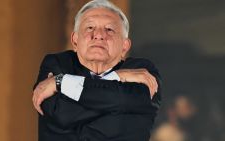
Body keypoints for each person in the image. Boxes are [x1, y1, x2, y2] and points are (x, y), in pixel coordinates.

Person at [32, 0, 161, 141]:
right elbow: (62, 114)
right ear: (75, 41)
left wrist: (62, 81)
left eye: (109, 29)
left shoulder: (142, 70)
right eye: (90, 27)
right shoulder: (57, 63)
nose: (98, 35)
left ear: (125, 46)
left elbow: (69, 115)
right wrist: (116, 77)